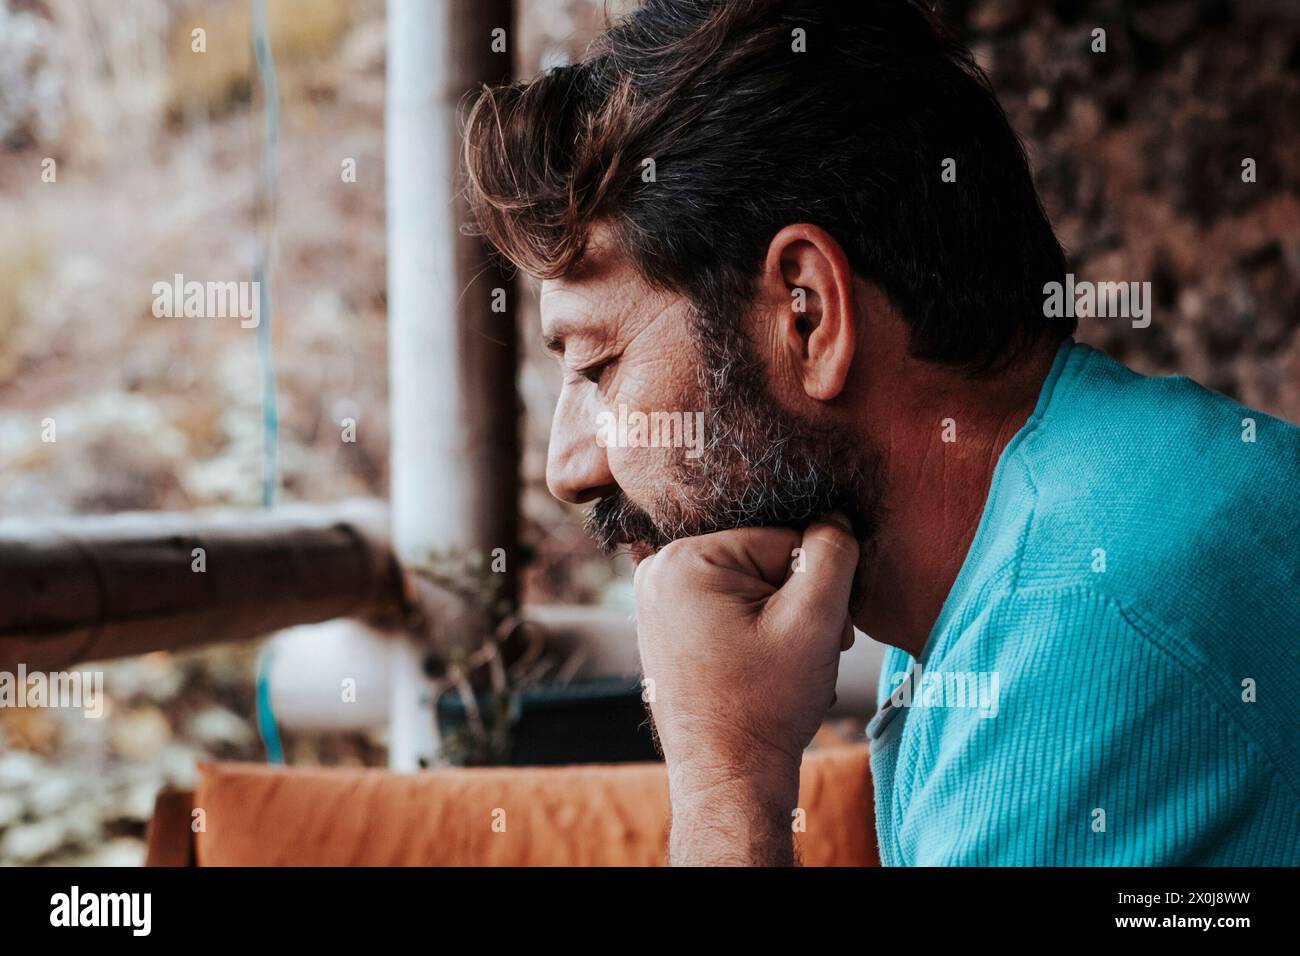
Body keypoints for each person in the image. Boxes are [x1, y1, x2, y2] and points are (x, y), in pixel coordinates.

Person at [463, 0, 1300, 865]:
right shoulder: (1034, 542)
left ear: (808, 313)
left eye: (599, 368)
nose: (570, 468)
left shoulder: (1080, 625)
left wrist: (728, 790)